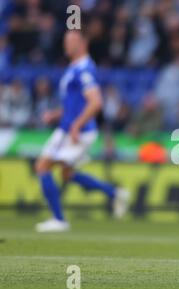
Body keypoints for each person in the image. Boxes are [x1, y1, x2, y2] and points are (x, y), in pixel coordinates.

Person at [35, 30, 129, 232]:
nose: (67, 45)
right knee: (67, 174)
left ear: (83, 43)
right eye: (65, 40)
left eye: (72, 41)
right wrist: (56, 114)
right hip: (70, 127)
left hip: (73, 130)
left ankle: (58, 220)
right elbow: (76, 104)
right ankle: (114, 194)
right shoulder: (74, 67)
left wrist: (76, 125)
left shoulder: (84, 69)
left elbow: (96, 102)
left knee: (43, 166)